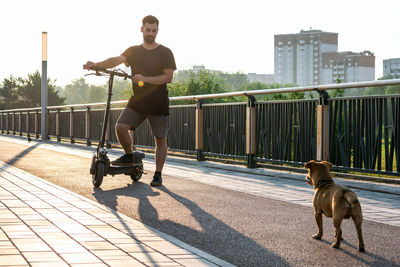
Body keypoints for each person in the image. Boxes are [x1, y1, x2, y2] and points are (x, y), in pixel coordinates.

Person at [83, 15, 176, 186]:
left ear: (157, 31)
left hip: (158, 102)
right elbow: (116, 60)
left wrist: (144, 78)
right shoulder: (133, 51)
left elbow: (168, 77)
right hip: (139, 101)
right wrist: (97, 64)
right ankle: (129, 155)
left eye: (154, 30)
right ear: (142, 29)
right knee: (120, 127)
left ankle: (157, 174)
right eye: (148, 30)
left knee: (160, 139)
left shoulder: (165, 52)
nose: (151, 33)